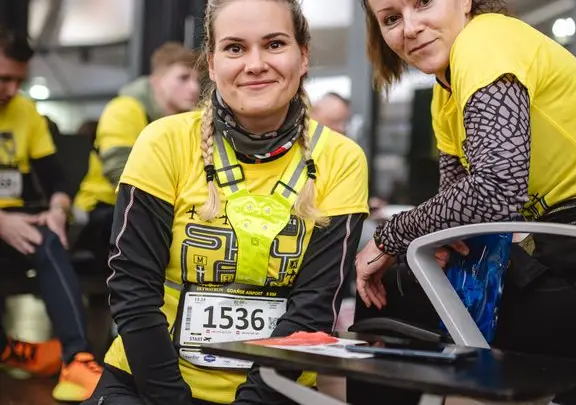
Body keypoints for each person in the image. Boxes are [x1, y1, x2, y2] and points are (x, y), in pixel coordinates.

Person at [82, 0, 368, 404]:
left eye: (274, 44)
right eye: (235, 48)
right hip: (148, 384)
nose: (255, 64)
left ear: (303, 56)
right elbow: (133, 290)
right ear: (212, 65)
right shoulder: (164, 141)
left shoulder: (342, 159)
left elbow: (314, 308)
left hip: (277, 390)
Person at [355, 0, 576, 362]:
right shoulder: (444, 94)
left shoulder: (485, 40)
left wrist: (388, 236)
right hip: (566, 260)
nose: (410, 27)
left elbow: (495, 190)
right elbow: (456, 219)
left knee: (390, 306)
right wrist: (437, 242)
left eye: (424, 2)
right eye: (391, 19)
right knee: (398, 293)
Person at [0, 26, 102, 402]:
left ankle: (77, 359)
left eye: (19, 80)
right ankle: (10, 351)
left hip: (19, 224)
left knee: (49, 240)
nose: (11, 89)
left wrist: (58, 209)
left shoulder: (25, 111)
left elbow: (54, 177)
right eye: (4, 79)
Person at [72, 42, 200, 258]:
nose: (194, 88)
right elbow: (119, 172)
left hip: (164, 207)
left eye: (197, 80)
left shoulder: (192, 119)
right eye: (183, 78)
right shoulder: (124, 109)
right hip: (104, 206)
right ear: (156, 81)